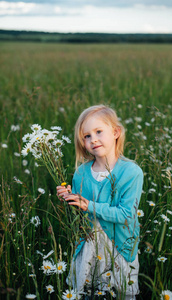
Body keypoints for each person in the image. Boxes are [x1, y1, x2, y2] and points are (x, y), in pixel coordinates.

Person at [57, 104, 143, 300]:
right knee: (88, 292)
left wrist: (89, 205)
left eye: (98, 132)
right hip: (88, 246)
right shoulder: (81, 173)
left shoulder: (131, 172)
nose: (93, 139)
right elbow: (79, 216)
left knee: (119, 292)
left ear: (115, 132)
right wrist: (69, 198)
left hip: (119, 247)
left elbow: (126, 215)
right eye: (86, 136)